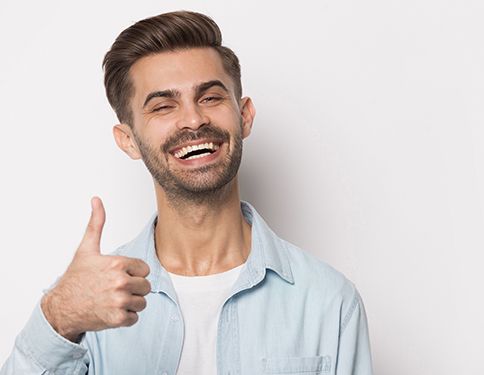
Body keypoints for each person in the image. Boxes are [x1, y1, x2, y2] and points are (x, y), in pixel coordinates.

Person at [0, 10, 373, 375]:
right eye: (163, 106)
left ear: (244, 116)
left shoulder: (329, 301)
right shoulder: (87, 301)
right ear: (128, 140)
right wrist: (59, 316)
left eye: (210, 97)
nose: (194, 120)